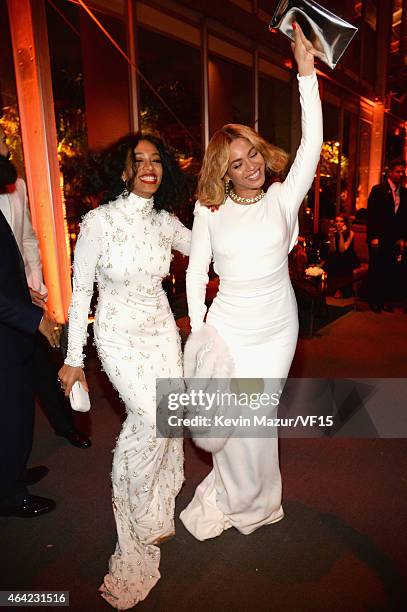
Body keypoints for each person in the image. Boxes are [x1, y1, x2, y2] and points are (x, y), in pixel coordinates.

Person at [180, 23, 322, 540]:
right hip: (229, 330)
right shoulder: (209, 209)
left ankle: (260, 501)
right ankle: (240, 495)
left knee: (257, 421)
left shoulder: (285, 198)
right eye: (237, 163)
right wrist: (199, 331)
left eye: (254, 154)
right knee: (234, 426)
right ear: (225, 171)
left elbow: (313, 144)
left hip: (276, 329)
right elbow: (196, 272)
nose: (252, 166)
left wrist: (306, 74)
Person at [58, 133, 191, 609]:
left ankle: (153, 509)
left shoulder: (165, 221)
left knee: (164, 421)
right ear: (122, 170)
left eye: (157, 160)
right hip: (116, 336)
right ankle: (131, 541)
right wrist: (74, 358)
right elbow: (80, 295)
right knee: (149, 421)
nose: (149, 168)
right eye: (139, 161)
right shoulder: (98, 222)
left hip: (161, 333)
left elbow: (208, 251)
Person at [0, 126, 91, 449]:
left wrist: (33, 284)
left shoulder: (17, 187)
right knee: (11, 387)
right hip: (9, 305)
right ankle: (13, 480)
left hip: (25, 296)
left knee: (41, 367)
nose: (8, 148)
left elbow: (26, 238)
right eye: (1, 140)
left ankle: (66, 426)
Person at [0, 140, 59, 517]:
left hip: (13, 318)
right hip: (6, 331)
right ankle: (9, 496)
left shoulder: (10, 189)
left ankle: (12, 474)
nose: (7, 149)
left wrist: (28, 295)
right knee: (11, 414)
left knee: (17, 409)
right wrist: (31, 317)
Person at [367, 157, 407, 313]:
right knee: (377, 269)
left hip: (393, 238)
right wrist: (373, 237)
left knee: (389, 270)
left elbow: (403, 217)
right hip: (379, 238)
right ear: (390, 172)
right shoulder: (378, 190)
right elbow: (372, 216)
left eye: (403, 171)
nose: (401, 174)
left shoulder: (403, 192)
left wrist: (403, 238)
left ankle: (385, 300)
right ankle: (374, 301)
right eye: (398, 171)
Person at [326, 214, 359, 297]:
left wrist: (340, 234)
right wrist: (332, 237)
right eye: (336, 221)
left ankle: (341, 289)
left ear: (345, 223)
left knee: (341, 259)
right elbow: (332, 250)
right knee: (332, 257)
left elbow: (342, 250)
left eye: (341, 221)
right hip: (337, 256)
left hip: (348, 256)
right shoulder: (333, 232)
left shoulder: (351, 233)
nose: (339, 223)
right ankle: (332, 288)